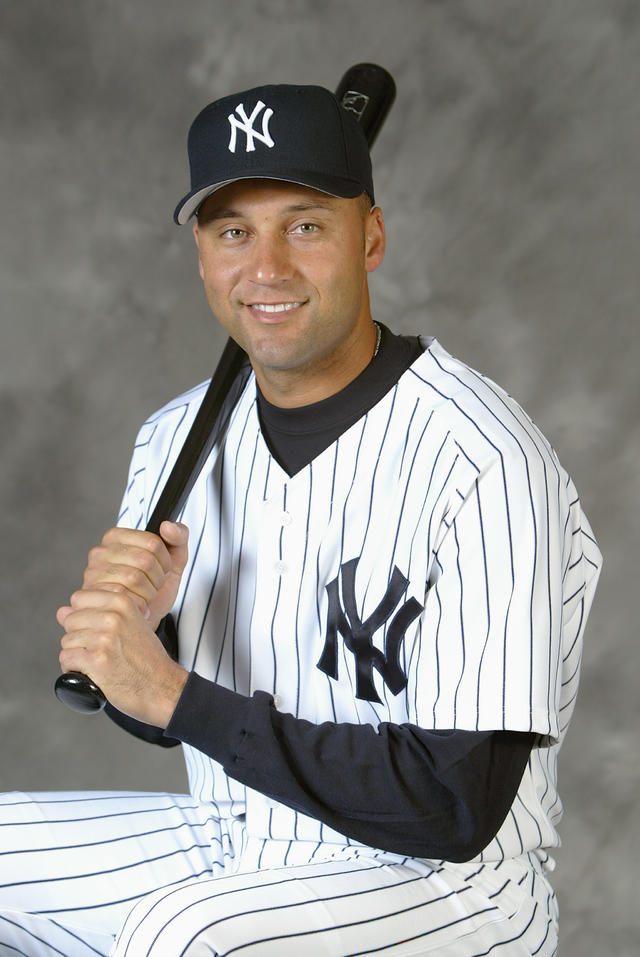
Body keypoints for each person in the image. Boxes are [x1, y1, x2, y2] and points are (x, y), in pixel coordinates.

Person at [0, 82, 601, 956]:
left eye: (306, 225)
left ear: (373, 239)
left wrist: (173, 693)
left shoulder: (486, 461)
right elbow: (154, 707)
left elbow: (456, 803)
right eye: (233, 230)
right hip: (240, 836)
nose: (266, 268)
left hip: (448, 888)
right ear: (203, 252)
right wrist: (135, 651)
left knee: (184, 932)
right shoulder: (175, 439)